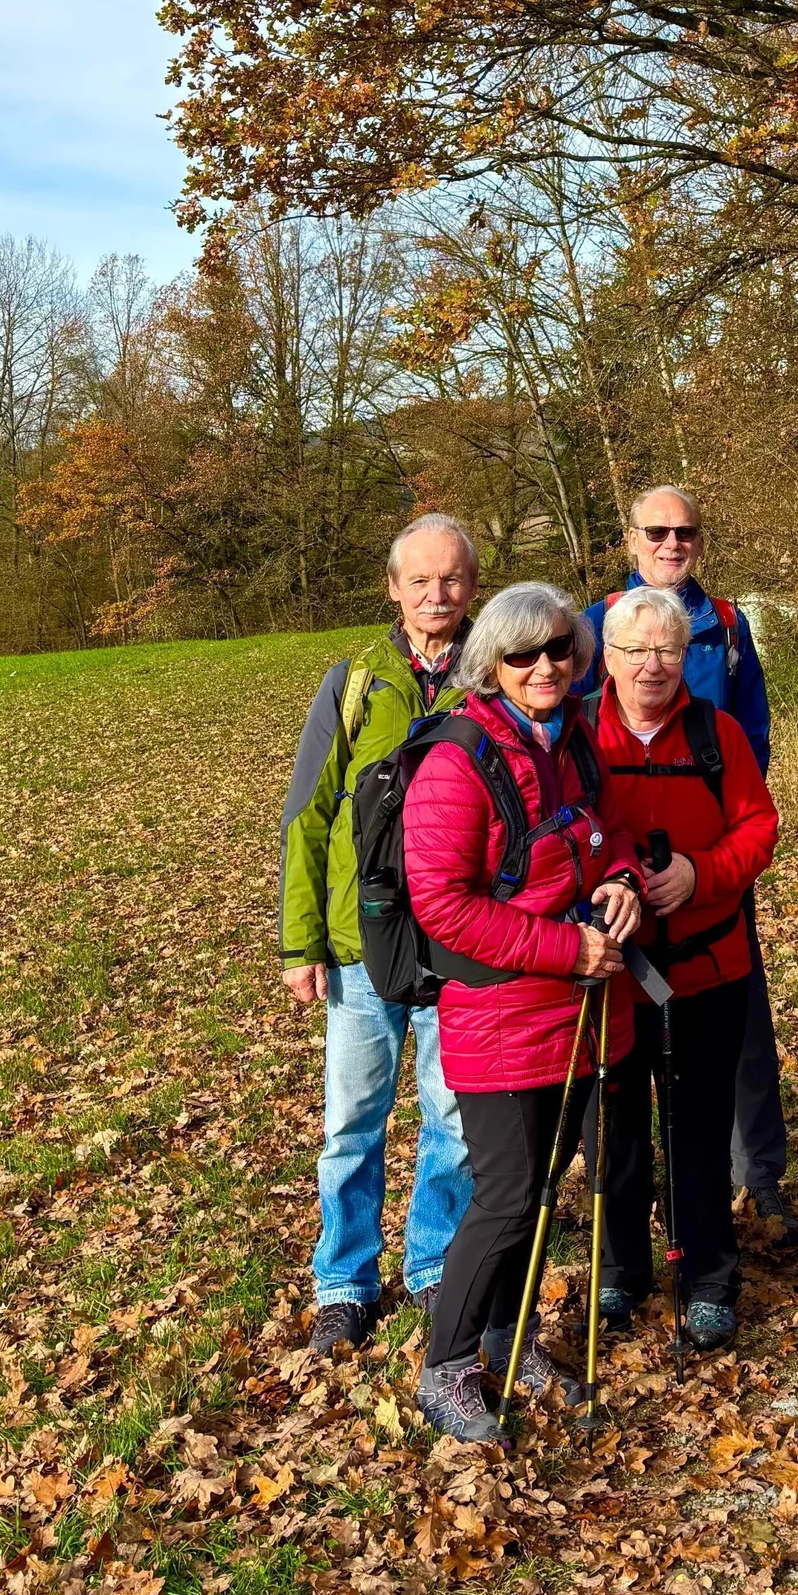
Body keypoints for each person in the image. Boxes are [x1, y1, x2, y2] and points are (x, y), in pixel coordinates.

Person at [402, 582, 645, 1442]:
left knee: (544, 1188)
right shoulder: (457, 760)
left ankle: (511, 1341)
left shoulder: (575, 740)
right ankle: (448, 1369)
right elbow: (443, 903)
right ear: (491, 664)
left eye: (558, 650)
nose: (545, 667)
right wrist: (562, 949)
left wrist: (620, 881)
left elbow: (606, 832)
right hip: (502, 1015)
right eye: (523, 654)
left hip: (581, 1011)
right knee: (505, 1196)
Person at [279, 513, 480, 1354]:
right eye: (420, 581)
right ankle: (345, 1283)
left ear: (473, 586)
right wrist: (302, 944)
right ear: (393, 589)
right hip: (360, 944)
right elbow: (307, 812)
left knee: (455, 1121)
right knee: (351, 1124)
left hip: (460, 942)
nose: (436, 595)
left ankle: (435, 1267)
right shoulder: (354, 682)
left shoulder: (494, 673)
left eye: (452, 580)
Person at [581, 486, 797, 1249]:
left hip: (708, 870)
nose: (672, 544)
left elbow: (755, 746)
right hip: (618, 901)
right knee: (622, 1076)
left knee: (735, 1039)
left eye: (686, 532)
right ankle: (628, 1239)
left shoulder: (728, 625)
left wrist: (712, 857)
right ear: (631, 538)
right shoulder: (592, 623)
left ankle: (755, 1176)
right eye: (657, 532)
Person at [586, 586, 781, 1351]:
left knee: (698, 1126)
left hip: (707, 969)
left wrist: (701, 876)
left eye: (668, 649)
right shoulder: (579, 737)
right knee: (617, 1128)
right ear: (607, 657)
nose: (653, 665)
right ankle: (621, 1267)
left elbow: (758, 826)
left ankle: (708, 1275)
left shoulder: (715, 733)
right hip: (611, 974)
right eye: (635, 651)